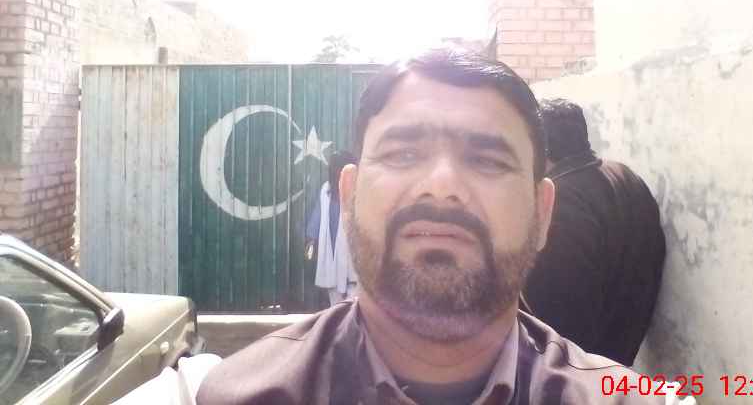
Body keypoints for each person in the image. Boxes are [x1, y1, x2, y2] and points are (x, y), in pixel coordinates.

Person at [115, 50, 691, 405]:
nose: (441, 185)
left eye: (488, 160)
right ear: (348, 197)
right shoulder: (208, 395)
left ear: (543, 215)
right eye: (403, 153)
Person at [522, 98, 666, 366]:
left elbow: (559, 314)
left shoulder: (560, 204)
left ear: (540, 148)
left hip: (575, 366)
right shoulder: (626, 176)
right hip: (619, 354)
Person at [305, 150, 359, 306]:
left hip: (351, 244)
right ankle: (339, 314)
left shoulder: (360, 189)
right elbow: (318, 214)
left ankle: (351, 313)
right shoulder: (326, 190)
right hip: (332, 243)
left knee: (352, 280)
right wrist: (311, 240)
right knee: (333, 282)